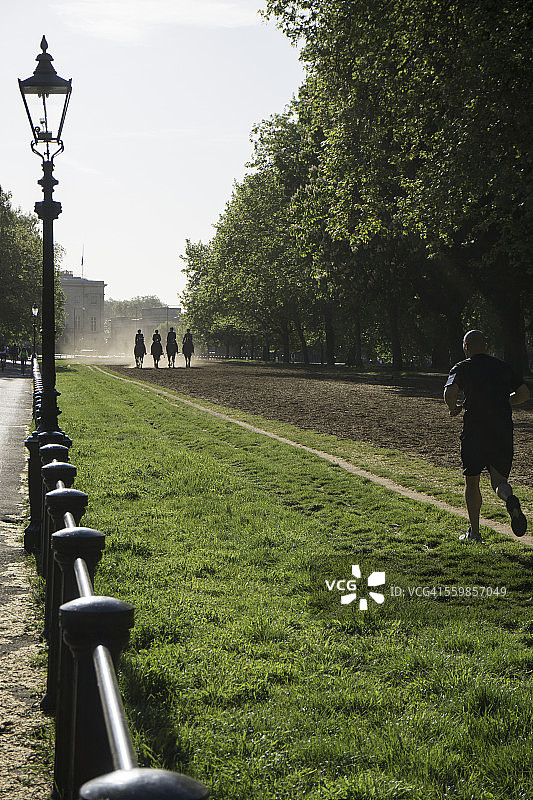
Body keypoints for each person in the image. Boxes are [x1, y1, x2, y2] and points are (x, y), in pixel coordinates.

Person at [444, 329, 530, 542]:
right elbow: (524, 394)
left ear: (465, 347)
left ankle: (474, 532)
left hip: (475, 430)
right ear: (486, 346)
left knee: (472, 482)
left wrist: (453, 408)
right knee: (499, 481)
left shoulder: (463, 367)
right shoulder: (502, 367)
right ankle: (510, 499)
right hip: (501, 430)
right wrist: (504, 401)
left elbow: (450, 392)